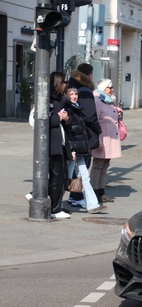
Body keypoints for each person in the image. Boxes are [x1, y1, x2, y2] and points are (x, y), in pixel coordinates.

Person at [62, 87, 107, 214]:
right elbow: (69, 132)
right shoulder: (68, 109)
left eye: (75, 94)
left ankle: (92, 205)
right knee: (67, 178)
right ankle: (54, 204)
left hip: (80, 148)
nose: (74, 96)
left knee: (84, 177)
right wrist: (71, 150)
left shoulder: (78, 107)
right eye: (71, 94)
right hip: (74, 149)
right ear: (66, 95)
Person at [66, 63, 102, 207]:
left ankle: (79, 197)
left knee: (76, 170)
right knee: (78, 169)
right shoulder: (85, 91)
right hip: (82, 135)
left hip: (74, 134)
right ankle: (75, 196)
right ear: (90, 75)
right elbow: (90, 115)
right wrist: (98, 130)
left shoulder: (71, 87)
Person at [91, 79, 123, 204]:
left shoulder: (109, 101)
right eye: (110, 87)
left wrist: (117, 113)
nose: (112, 89)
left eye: (112, 87)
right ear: (103, 88)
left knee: (105, 164)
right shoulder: (98, 101)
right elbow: (95, 121)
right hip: (103, 138)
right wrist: (98, 141)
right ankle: (94, 191)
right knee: (98, 165)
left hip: (111, 137)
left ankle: (101, 190)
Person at [46, 72, 72, 219]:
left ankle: (55, 206)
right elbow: (42, 121)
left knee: (61, 175)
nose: (65, 85)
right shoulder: (48, 98)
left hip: (60, 142)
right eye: (64, 82)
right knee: (57, 176)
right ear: (57, 83)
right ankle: (54, 208)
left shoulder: (61, 99)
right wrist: (58, 118)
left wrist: (66, 118)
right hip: (51, 143)